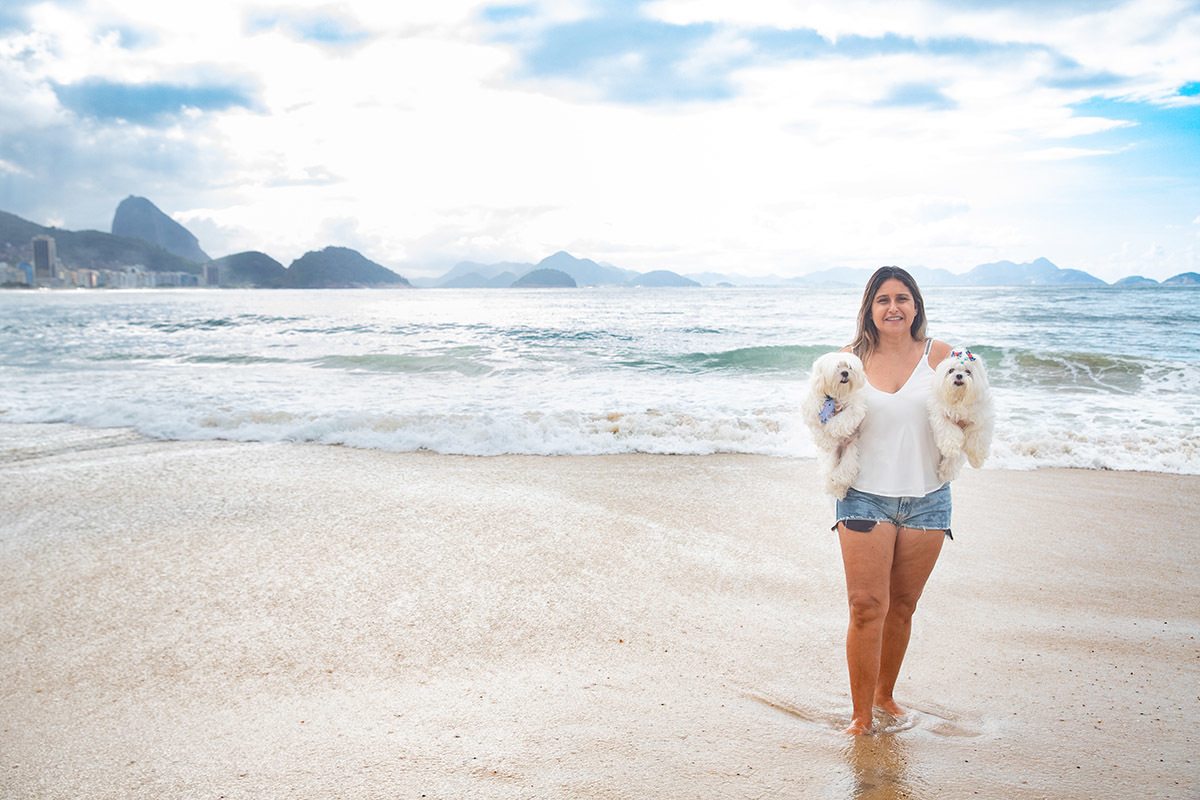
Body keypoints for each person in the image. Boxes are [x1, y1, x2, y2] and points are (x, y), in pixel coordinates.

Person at [834, 266, 953, 735]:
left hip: (928, 499)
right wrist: (831, 416)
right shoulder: (848, 358)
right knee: (866, 606)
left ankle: (885, 696)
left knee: (902, 606)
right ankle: (861, 717)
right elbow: (823, 413)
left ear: (916, 306)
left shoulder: (940, 354)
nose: (893, 307)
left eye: (902, 298)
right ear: (870, 309)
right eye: (883, 299)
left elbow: (973, 398)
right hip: (864, 497)